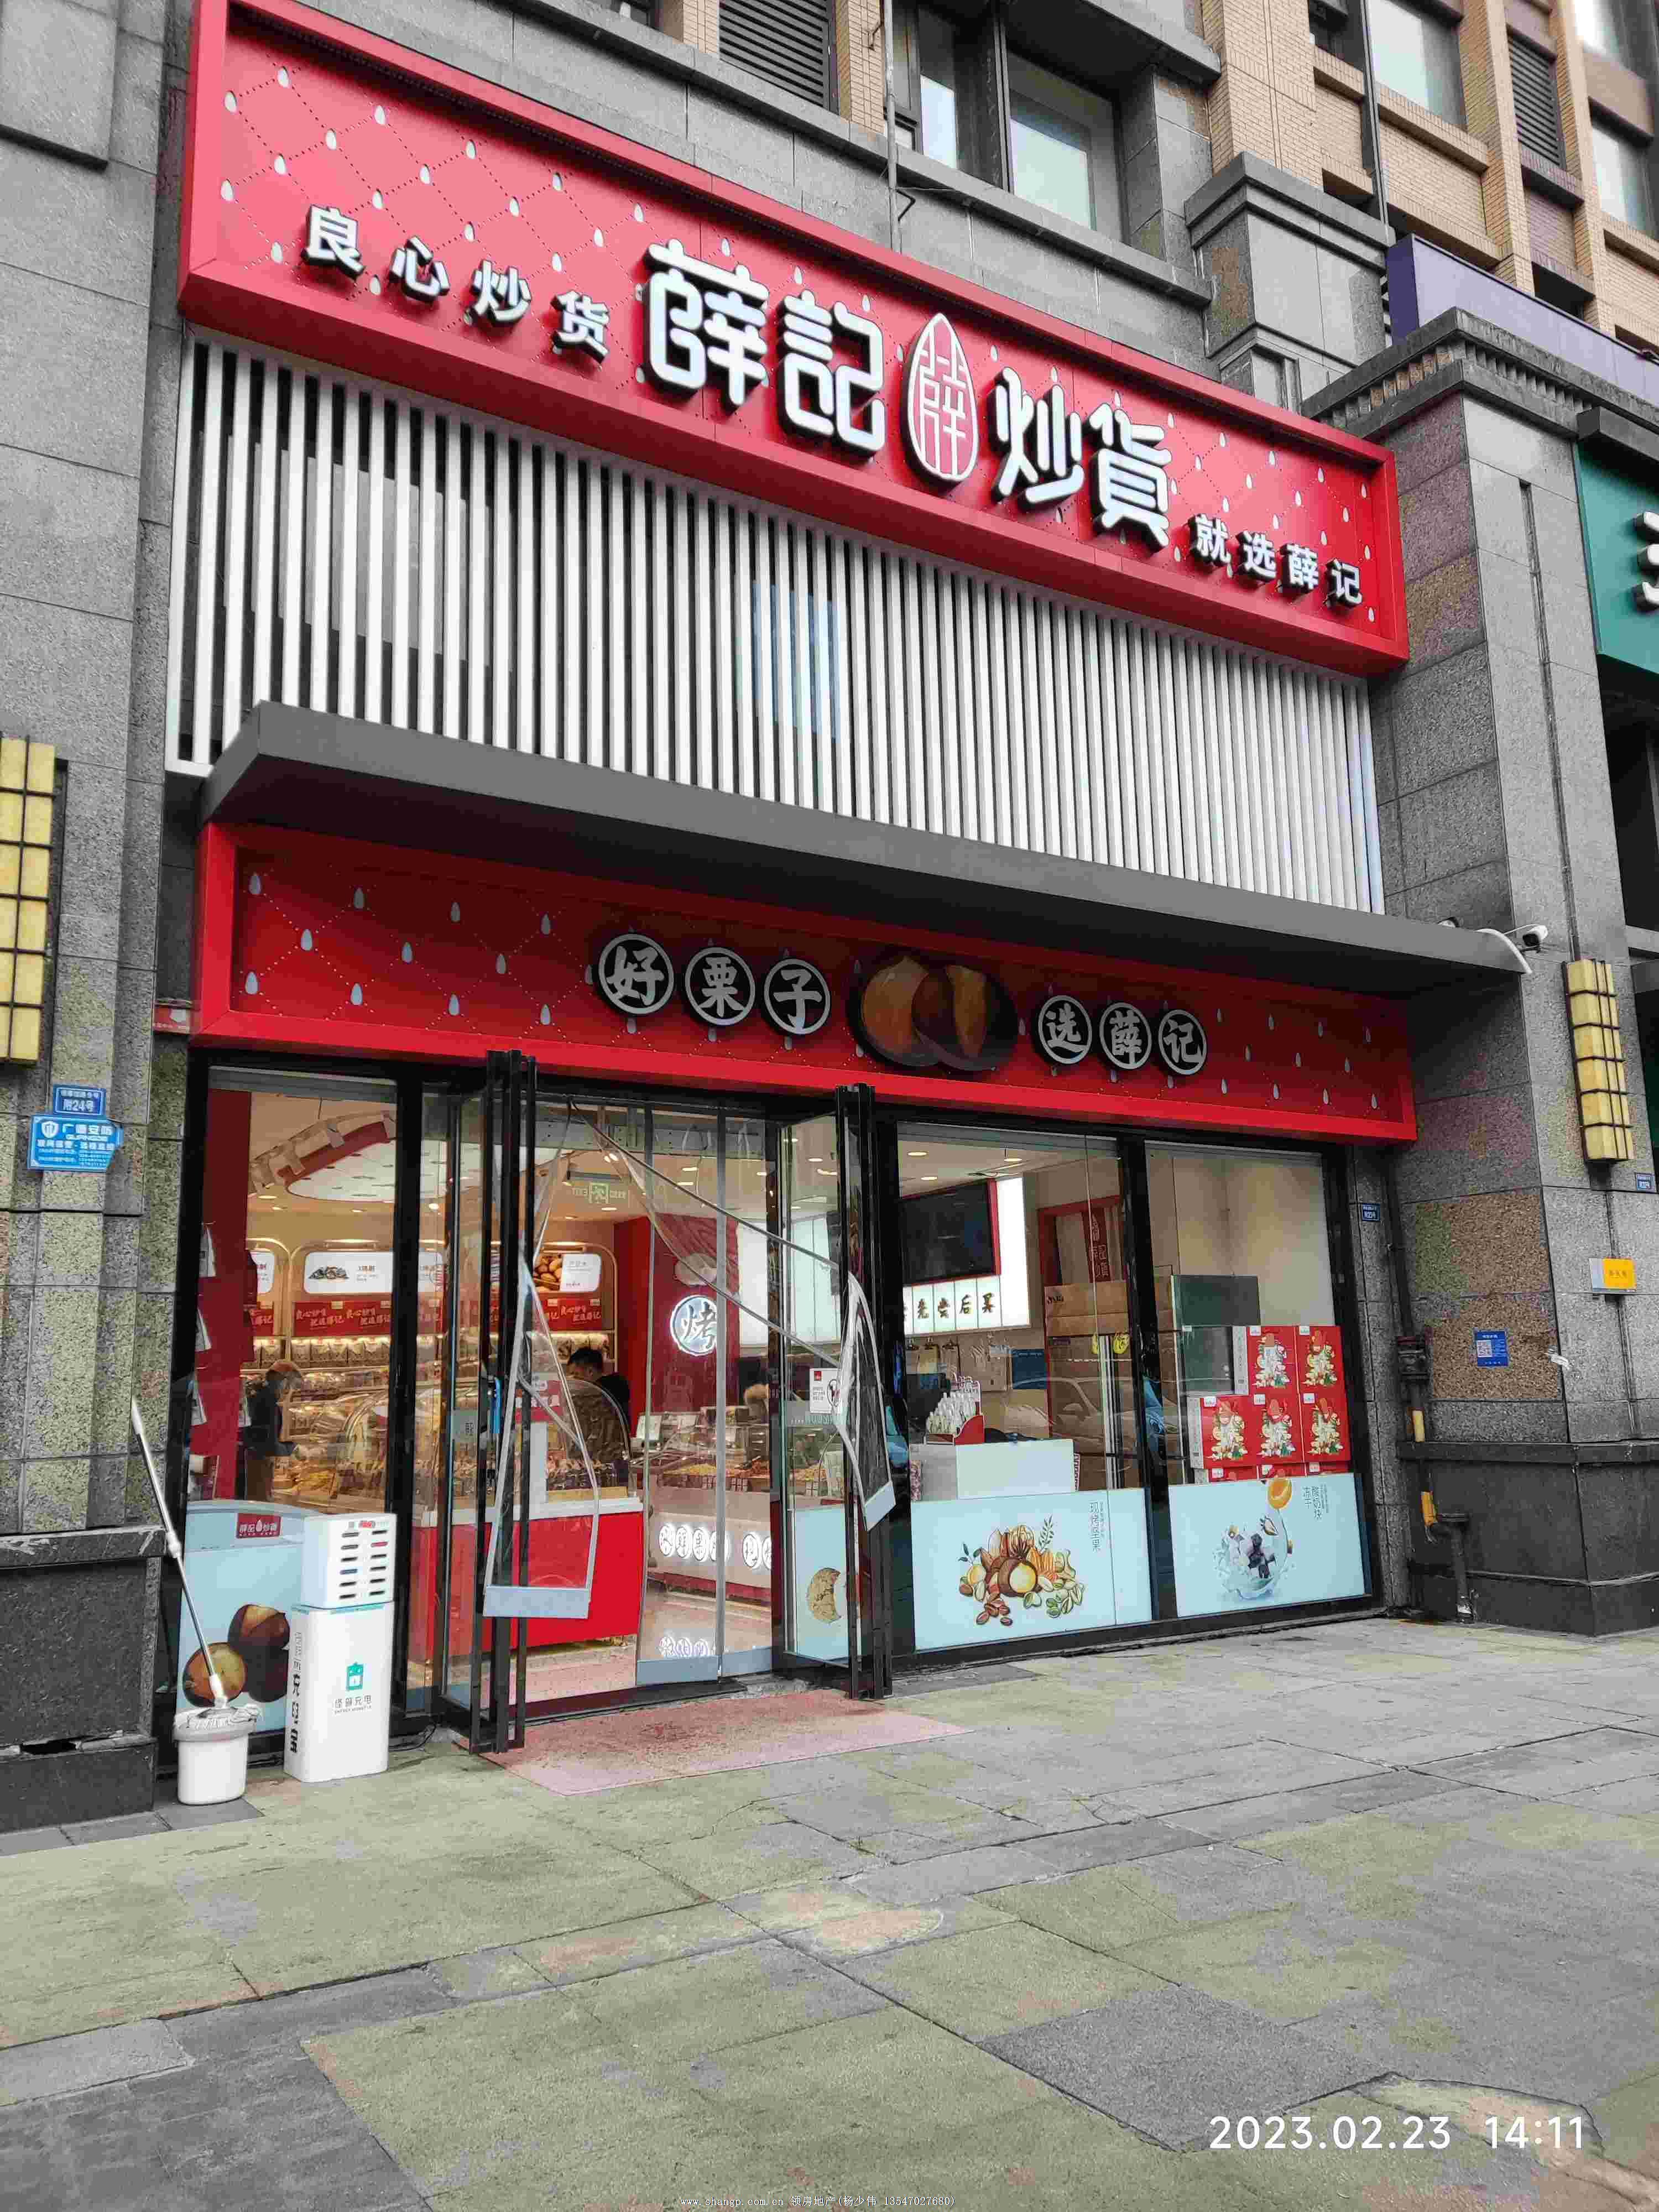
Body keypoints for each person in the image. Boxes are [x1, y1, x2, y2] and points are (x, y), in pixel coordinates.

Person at [243, 1358, 301, 1501]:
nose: (288, 1389)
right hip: (258, 1459)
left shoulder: (261, 1392)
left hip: (254, 1457)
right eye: (289, 1384)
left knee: (259, 1498)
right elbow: (268, 1441)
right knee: (259, 1501)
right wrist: (293, 1450)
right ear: (282, 1380)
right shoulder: (268, 1399)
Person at [565, 1344, 632, 1434]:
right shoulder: (615, 1388)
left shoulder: (596, 1395)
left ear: (590, 1372)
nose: (574, 1380)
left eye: (576, 1374)